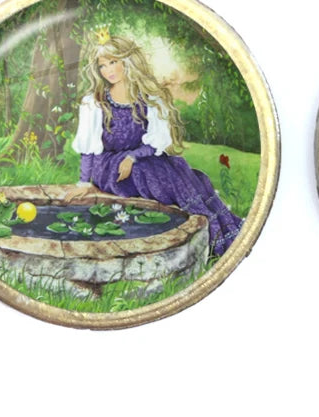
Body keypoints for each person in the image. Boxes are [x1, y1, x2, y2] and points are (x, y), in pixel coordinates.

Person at [66, 29, 242, 256]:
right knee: (146, 172)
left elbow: (155, 143)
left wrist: (132, 157)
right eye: (102, 65)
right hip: (109, 166)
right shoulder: (94, 102)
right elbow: (88, 148)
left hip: (140, 158)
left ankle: (218, 231)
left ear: (127, 61)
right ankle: (208, 236)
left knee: (180, 171)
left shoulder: (149, 99)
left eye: (113, 62)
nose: (108, 70)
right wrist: (84, 183)